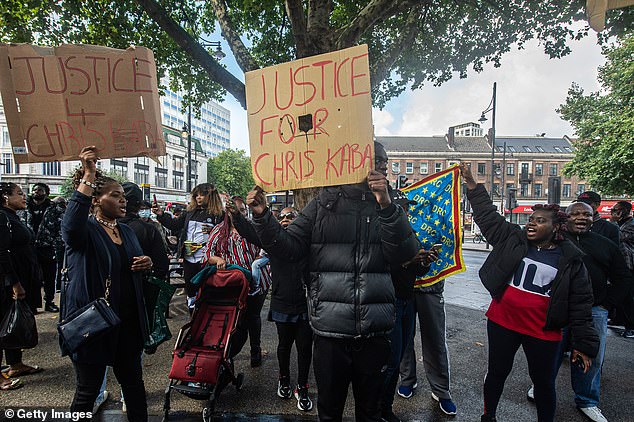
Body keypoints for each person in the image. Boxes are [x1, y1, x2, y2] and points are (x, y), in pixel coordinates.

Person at [244, 141, 419, 421]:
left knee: (370, 413)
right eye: (378, 161)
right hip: (330, 334)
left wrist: (386, 205)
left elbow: (406, 253)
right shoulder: (323, 204)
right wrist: (264, 217)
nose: (384, 167)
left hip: (374, 333)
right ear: (357, 161)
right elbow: (289, 249)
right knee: (329, 411)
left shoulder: (391, 204)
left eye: (385, 164)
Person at [460, 163, 598, 422]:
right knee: (497, 372)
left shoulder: (571, 259)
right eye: (532, 220)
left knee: (544, 382)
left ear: (556, 227)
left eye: (540, 221)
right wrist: (472, 185)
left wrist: (584, 345)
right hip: (503, 323)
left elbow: (581, 306)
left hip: (543, 332)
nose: (532, 224)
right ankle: (488, 415)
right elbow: (488, 216)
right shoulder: (513, 238)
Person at [61, 146, 153, 421]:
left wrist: (145, 263)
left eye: (124, 196)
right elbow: (70, 225)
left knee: (134, 385)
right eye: (115, 195)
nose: (123, 201)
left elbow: (134, 265)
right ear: (96, 200)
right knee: (87, 391)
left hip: (127, 322)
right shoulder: (84, 231)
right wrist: (88, 175)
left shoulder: (125, 229)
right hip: (94, 323)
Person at [550, 201, 633, 422]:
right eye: (575, 213)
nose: (581, 218)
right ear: (565, 218)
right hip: (558, 309)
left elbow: (623, 277)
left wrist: (606, 304)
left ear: (593, 218)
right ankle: (541, 387)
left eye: (586, 214)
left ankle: (587, 400)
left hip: (593, 311)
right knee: (550, 353)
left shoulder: (606, 245)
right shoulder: (554, 241)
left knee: (591, 358)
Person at [230, 204, 314, 411]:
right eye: (282, 217)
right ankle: (283, 379)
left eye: (291, 216)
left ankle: (302, 387)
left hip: (306, 304)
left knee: (304, 348)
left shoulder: (310, 243)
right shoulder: (275, 244)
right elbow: (252, 233)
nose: (285, 220)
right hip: (283, 302)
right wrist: (237, 217)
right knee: (284, 345)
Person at [379, 191, 437, 422]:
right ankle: (378, 410)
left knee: (401, 354)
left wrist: (424, 261)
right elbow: (377, 267)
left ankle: (385, 408)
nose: (407, 212)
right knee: (390, 361)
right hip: (388, 303)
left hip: (407, 302)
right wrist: (407, 261)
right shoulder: (380, 232)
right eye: (402, 207)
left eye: (407, 208)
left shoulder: (410, 234)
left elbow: (417, 270)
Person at [205, 196, 271, 368]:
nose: (240, 213)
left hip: (257, 281)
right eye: (236, 210)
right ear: (228, 212)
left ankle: (255, 349)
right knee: (236, 319)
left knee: (253, 316)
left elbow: (267, 247)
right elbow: (208, 253)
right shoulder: (219, 230)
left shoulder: (253, 228)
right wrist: (218, 259)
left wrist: (259, 258)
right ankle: (227, 353)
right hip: (232, 283)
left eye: (242, 210)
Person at [153, 183, 223, 311]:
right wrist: (160, 214)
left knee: (207, 289)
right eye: (196, 195)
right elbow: (174, 225)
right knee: (191, 289)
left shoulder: (219, 215)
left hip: (208, 259)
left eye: (202, 195)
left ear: (211, 196)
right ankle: (193, 315)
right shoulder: (189, 212)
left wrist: (214, 230)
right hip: (189, 257)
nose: (198, 198)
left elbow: (225, 235)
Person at [0, 182, 43, 387]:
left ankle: (15, 364)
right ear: (5, 197)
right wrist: (14, 283)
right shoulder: (1, 217)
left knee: (12, 320)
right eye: (19, 193)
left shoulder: (11, 217)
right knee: (3, 323)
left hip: (20, 277)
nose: (24, 196)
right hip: (7, 282)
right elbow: (2, 253)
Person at [396, 276, 457, 417]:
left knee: (435, 339)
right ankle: (407, 378)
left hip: (432, 285)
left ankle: (441, 389)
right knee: (404, 337)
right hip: (404, 284)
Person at [25, 182, 58, 312]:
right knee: (32, 276)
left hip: (47, 247)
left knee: (50, 276)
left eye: (40, 190)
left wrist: (56, 245)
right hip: (29, 247)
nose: (36, 192)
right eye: (34, 190)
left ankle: (49, 302)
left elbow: (59, 228)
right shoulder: (25, 207)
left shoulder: (53, 208)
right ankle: (33, 304)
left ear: (46, 193)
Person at [609, 200, 634, 338]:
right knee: (621, 294)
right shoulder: (623, 224)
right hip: (622, 264)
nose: (612, 212)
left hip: (629, 265)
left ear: (623, 211)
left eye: (615, 210)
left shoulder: (630, 225)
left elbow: (618, 237)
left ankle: (631, 326)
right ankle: (618, 318)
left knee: (627, 296)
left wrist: (612, 222)